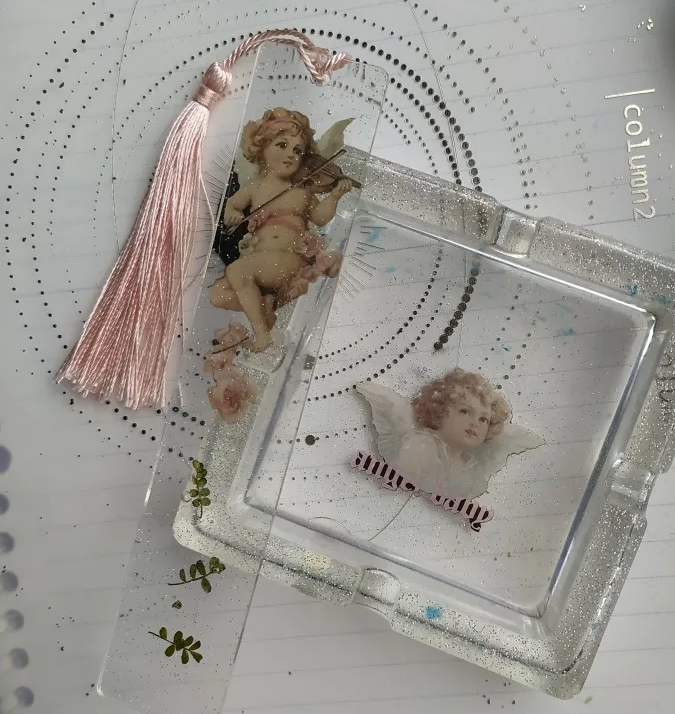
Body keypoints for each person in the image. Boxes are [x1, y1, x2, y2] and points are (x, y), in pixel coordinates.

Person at [209, 108, 352, 352]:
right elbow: (233, 204)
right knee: (218, 295)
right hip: (261, 263)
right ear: (262, 147)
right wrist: (232, 214)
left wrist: (334, 197)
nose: (290, 155)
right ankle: (265, 305)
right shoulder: (255, 186)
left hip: (288, 261)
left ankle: (262, 334)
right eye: (282, 145)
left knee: (237, 270)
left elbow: (320, 218)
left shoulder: (301, 191)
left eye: (297, 151)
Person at [358, 368, 543, 499]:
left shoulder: (471, 466)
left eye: (483, 419)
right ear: (439, 410)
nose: (474, 423)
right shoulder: (423, 447)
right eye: (465, 411)